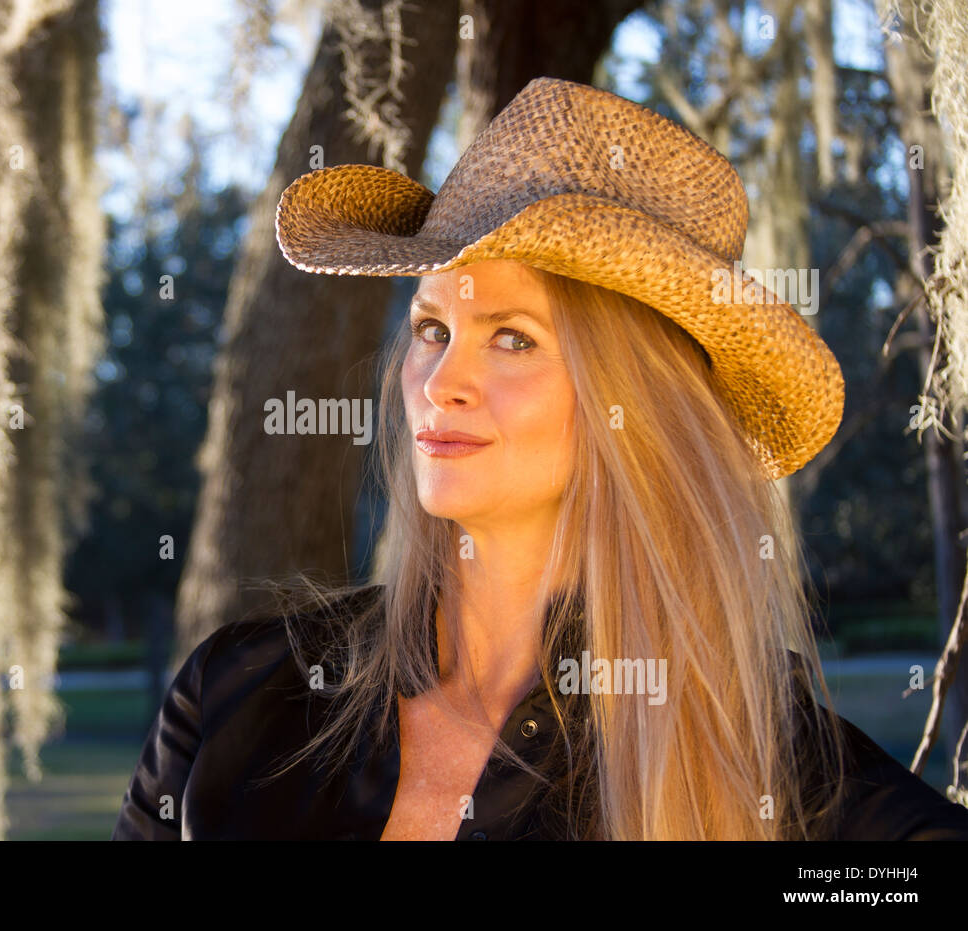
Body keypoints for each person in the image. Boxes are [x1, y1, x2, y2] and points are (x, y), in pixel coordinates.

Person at [111, 77, 968, 840]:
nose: (442, 380)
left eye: (512, 338)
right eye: (432, 329)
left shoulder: (767, 757)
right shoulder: (238, 692)